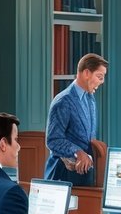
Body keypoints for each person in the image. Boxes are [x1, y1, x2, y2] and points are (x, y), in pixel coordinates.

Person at [44, 53, 107, 187]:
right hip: (62, 175)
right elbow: (53, 140)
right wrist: (77, 152)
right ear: (86, 73)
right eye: (99, 77)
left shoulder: (90, 98)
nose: (102, 81)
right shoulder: (63, 101)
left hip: (83, 175)